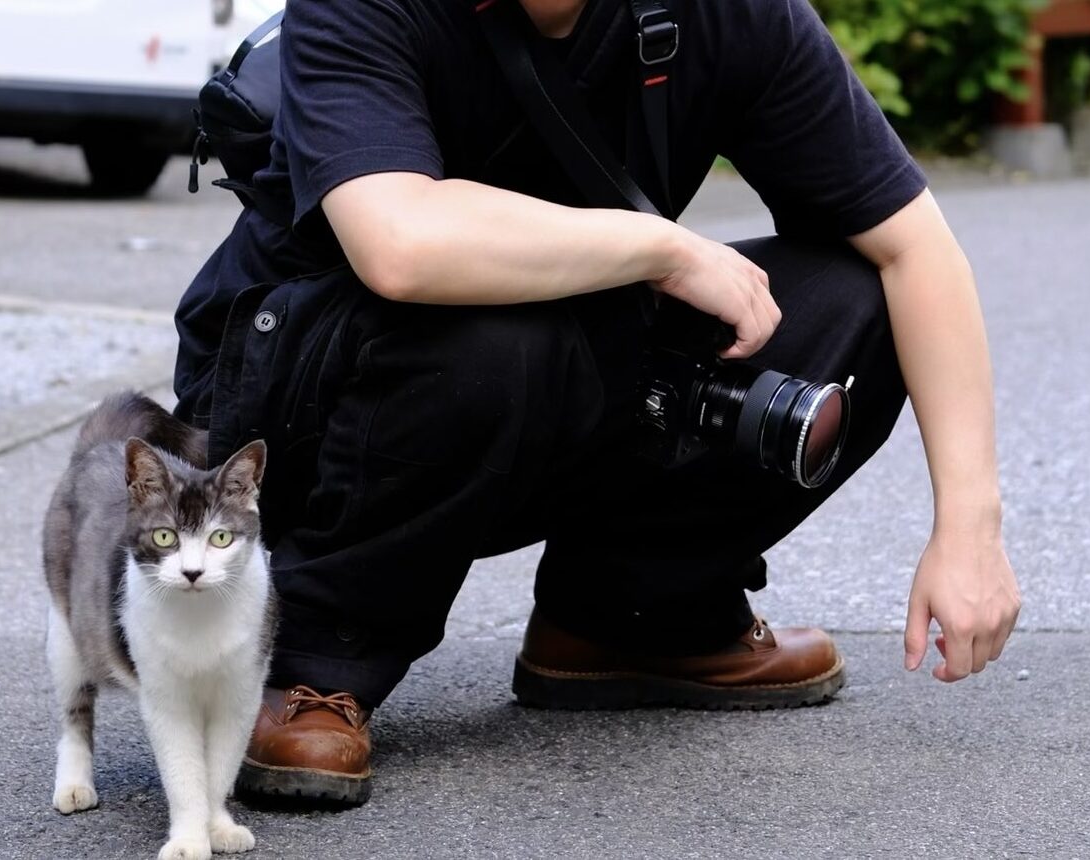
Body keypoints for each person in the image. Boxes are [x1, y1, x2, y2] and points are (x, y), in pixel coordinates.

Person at [171, 0, 1021, 805]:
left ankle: (632, 616)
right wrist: (664, 249)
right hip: (304, 409)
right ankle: (305, 657)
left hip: (559, 365)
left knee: (855, 294)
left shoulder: (726, 15)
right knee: (500, 336)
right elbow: (402, 244)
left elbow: (917, 249)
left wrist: (971, 530)